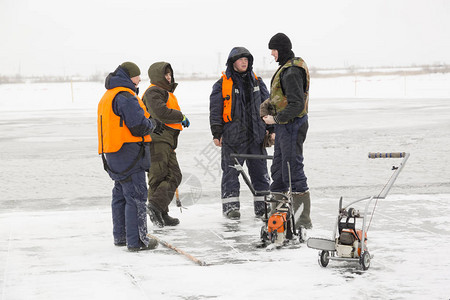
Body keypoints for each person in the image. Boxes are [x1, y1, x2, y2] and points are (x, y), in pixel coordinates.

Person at [97, 62, 164, 251]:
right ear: (129, 78)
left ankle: (122, 236)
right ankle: (137, 241)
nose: (139, 79)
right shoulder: (125, 96)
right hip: (128, 153)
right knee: (136, 196)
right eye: (137, 76)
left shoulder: (108, 95)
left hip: (113, 153)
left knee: (120, 194)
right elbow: (138, 125)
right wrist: (151, 124)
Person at [210, 47, 271, 220]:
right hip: (233, 138)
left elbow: (269, 107)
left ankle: (263, 207)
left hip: (256, 138)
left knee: (260, 174)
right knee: (230, 174)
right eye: (240, 59)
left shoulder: (258, 82)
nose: (244, 62)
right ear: (232, 62)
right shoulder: (221, 85)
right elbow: (215, 111)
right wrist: (216, 133)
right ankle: (231, 208)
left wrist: (271, 130)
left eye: (246, 59)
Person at [261, 33, 312, 230]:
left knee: (293, 172)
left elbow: (297, 104)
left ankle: (302, 222)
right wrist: (268, 105)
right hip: (285, 126)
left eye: (273, 50)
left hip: (293, 125)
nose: (272, 54)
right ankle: (278, 218)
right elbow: (283, 98)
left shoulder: (291, 72)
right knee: (279, 171)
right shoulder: (286, 68)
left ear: (280, 49)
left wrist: (276, 119)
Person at [142, 62, 190, 227]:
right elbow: (160, 112)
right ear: (157, 76)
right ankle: (157, 209)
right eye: (165, 74)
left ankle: (159, 208)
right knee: (157, 177)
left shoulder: (164, 92)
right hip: (157, 139)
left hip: (167, 140)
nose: (169, 77)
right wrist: (180, 116)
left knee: (174, 175)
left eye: (170, 74)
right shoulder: (153, 91)